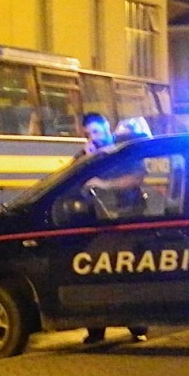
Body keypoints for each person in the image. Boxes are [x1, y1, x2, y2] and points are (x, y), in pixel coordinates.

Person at [76, 113, 149, 344]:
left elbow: (136, 177)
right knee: (96, 275)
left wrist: (105, 184)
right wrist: (86, 162)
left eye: (96, 132)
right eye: (88, 134)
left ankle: (137, 324)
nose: (93, 138)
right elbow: (71, 180)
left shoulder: (123, 151)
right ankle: (96, 329)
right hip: (98, 224)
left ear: (107, 128)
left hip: (127, 219)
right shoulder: (87, 154)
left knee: (127, 273)